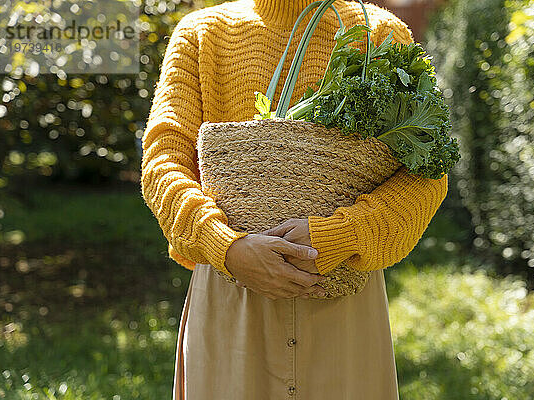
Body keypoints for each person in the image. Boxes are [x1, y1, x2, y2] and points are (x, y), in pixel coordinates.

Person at [140, 0, 448, 398]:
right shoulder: (203, 34)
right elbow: (163, 162)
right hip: (233, 294)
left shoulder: (380, 35)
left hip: (344, 300)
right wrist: (227, 247)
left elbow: (426, 174)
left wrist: (343, 235)